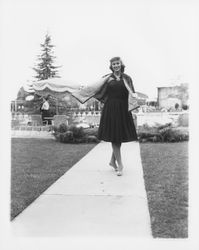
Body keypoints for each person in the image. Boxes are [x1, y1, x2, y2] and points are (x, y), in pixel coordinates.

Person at [97, 57, 138, 176]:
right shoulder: (107, 78)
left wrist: (134, 109)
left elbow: (132, 93)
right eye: (113, 64)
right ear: (111, 66)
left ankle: (112, 161)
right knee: (115, 137)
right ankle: (120, 165)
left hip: (124, 109)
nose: (116, 65)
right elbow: (98, 91)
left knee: (118, 136)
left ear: (121, 64)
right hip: (111, 109)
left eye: (117, 63)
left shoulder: (127, 78)